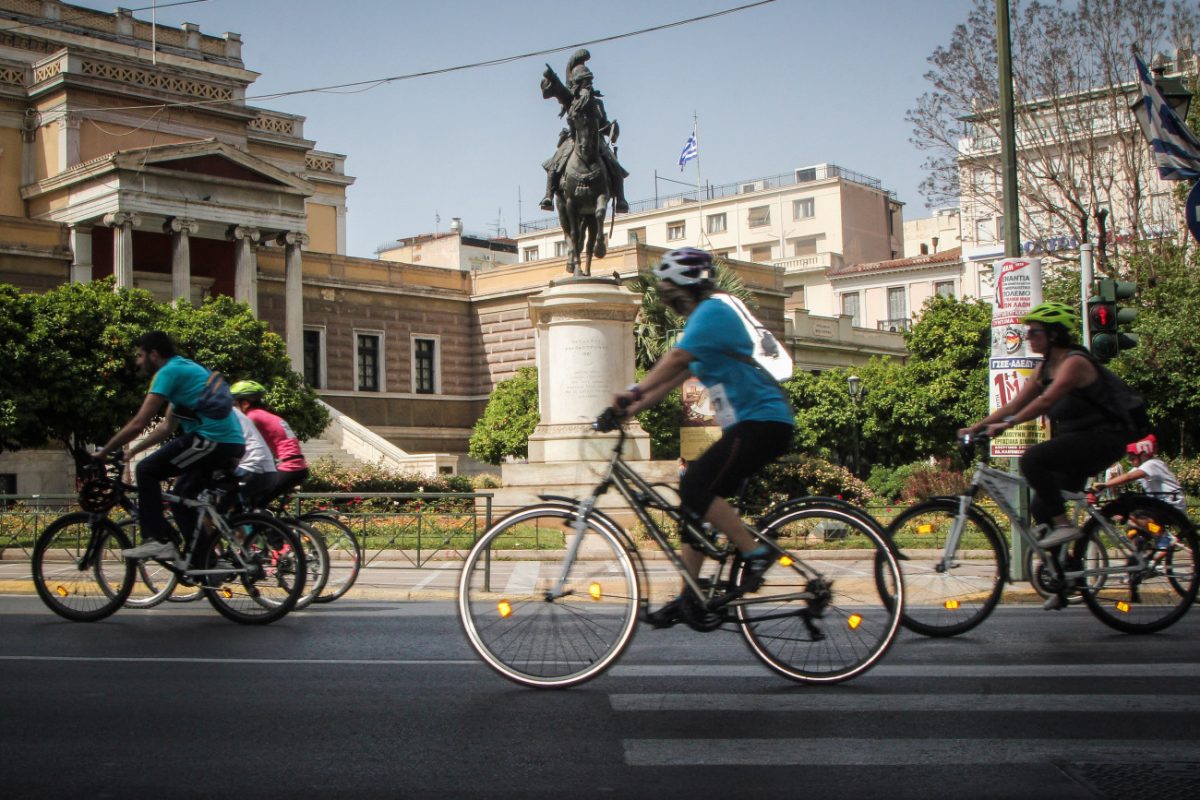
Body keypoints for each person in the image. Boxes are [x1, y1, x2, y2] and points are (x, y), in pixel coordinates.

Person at [609, 248, 795, 627]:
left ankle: (754, 552)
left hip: (761, 421)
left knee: (694, 484)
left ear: (687, 287)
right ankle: (689, 597)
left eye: (670, 291)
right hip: (749, 425)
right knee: (693, 509)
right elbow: (668, 383)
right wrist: (625, 411)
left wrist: (631, 391)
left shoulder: (712, 312)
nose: (667, 300)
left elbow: (676, 360)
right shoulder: (701, 322)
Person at [958, 302, 1129, 606]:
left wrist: (1004, 427)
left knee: (1032, 459)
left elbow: (1045, 402)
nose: (1028, 338)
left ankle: (1065, 527)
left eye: (1034, 333)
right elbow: (1015, 404)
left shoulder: (1074, 363)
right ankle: (1064, 579)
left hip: (1104, 439)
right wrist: (977, 426)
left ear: (1052, 336)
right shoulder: (1045, 367)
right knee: (1041, 505)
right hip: (1078, 442)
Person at [94, 331, 245, 561]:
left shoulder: (167, 373)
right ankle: (206, 563)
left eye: (139, 355)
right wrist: (133, 450)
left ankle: (157, 540)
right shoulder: (185, 371)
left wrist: (103, 453)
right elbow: (165, 427)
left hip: (211, 440)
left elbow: (139, 423)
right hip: (227, 442)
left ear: (153, 354)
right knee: (182, 496)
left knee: (146, 470)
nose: (137, 361)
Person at [539, 48, 630, 213]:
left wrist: (612, 129)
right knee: (556, 162)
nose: (589, 85)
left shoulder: (597, 104)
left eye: (590, 81)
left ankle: (621, 199)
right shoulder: (571, 100)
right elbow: (557, 89)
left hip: (596, 140)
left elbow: (605, 123)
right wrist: (552, 78)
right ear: (578, 84)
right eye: (586, 81)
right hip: (573, 139)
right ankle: (548, 195)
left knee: (614, 165)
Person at [229, 380, 310, 508]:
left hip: (289, 467)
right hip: (298, 466)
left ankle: (269, 527)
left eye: (235, 404)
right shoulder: (265, 415)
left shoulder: (252, 417)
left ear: (244, 403)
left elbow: (244, 443)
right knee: (257, 500)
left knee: (254, 503)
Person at [1091, 435, 1187, 514]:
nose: (1130, 461)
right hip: (1163, 503)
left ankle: (1167, 538)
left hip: (1172, 503)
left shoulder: (1152, 464)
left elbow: (1128, 477)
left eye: (1133, 458)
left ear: (1143, 455)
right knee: (1133, 516)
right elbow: (1121, 479)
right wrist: (1097, 490)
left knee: (1137, 517)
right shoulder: (1141, 468)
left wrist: (1104, 485)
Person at [231, 405, 277, 508]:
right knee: (239, 511)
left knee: (221, 502)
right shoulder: (236, 413)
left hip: (252, 466)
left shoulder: (220, 411)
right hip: (267, 468)